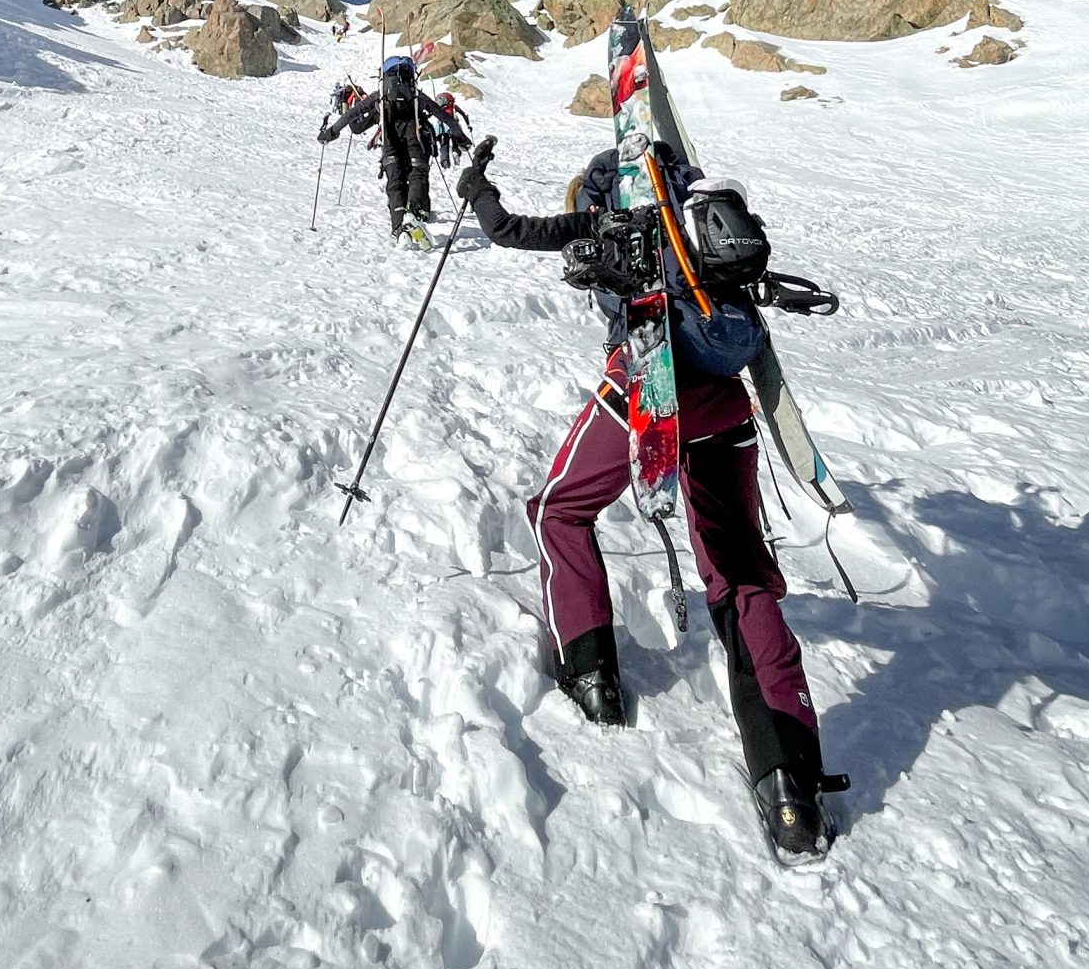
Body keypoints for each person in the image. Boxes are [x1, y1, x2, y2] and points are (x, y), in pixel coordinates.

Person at [453, 134, 840, 861]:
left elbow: (506, 232)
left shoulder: (598, 215)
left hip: (644, 392)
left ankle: (593, 676)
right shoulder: (689, 215)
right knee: (740, 575)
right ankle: (790, 790)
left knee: (559, 510)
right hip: (726, 403)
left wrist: (476, 185)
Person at [318, 52, 444, 242]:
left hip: (391, 147)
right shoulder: (416, 96)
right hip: (415, 143)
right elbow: (443, 115)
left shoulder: (381, 99)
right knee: (418, 174)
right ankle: (416, 212)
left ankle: (399, 228)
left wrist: (331, 132)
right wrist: (461, 136)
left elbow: (355, 122)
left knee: (395, 185)